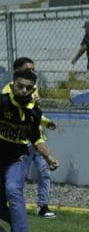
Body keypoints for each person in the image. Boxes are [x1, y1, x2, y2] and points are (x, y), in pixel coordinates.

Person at [0, 70, 60, 232]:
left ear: (34, 89)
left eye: (29, 88)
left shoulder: (34, 111)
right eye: (20, 86)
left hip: (17, 158)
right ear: (13, 85)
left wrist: (49, 156)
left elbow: (35, 138)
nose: (24, 91)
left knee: (13, 189)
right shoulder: (1, 102)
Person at [2, 58, 57, 219]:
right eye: (28, 69)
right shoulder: (8, 93)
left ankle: (43, 206)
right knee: (15, 181)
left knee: (44, 172)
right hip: (19, 143)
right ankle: (10, 210)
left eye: (33, 69)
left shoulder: (31, 87)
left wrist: (45, 122)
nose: (32, 72)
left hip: (36, 137)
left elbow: (34, 113)